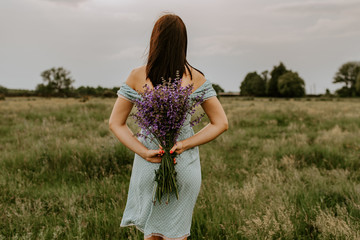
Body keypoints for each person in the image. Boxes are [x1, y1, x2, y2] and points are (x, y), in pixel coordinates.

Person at [109, 13, 228, 240]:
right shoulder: (197, 78)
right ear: (183, 42)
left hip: (149, 162)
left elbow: (115, 123)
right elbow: (221, 123)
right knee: (177, 235)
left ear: (155, 40)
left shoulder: (137, 76)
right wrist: (183, 144)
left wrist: (144, 152)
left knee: (152, 236)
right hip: (183, 165)